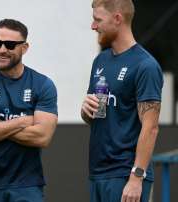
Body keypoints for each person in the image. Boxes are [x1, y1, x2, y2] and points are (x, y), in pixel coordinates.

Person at [0, 19, 58, 202]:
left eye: (10, 45)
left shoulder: (42, 85)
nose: (2, 49)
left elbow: (42, 137)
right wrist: (22, 121)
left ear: (24, 48)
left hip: (26, 185)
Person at [81, 0, 163, 201]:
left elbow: (151, 127)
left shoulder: (145, 65)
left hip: (125, 175)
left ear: (117, 19)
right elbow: (96, 117)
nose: (93, 26)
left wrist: (136, 177)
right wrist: (85, 111)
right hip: (98, 172)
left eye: (97, 20)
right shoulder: (100, 61)